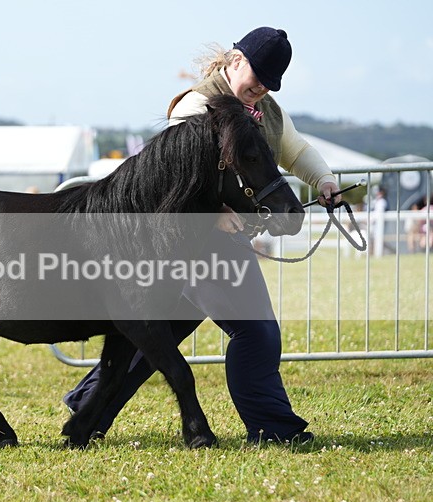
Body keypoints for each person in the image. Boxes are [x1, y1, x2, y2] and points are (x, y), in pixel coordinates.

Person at [63, 27, 340, 445]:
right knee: (255, 331)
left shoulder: (267, 110)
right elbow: (177, 177)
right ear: (234, 62)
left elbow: (295, 150)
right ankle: (274, 428)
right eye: (258, 74)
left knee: (156, 334)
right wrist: (213, 216)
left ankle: (89, 405)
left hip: (212, 243)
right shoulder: (197, 107)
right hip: (202, 243)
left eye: (271, 81)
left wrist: (323, 180)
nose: (262, 86)